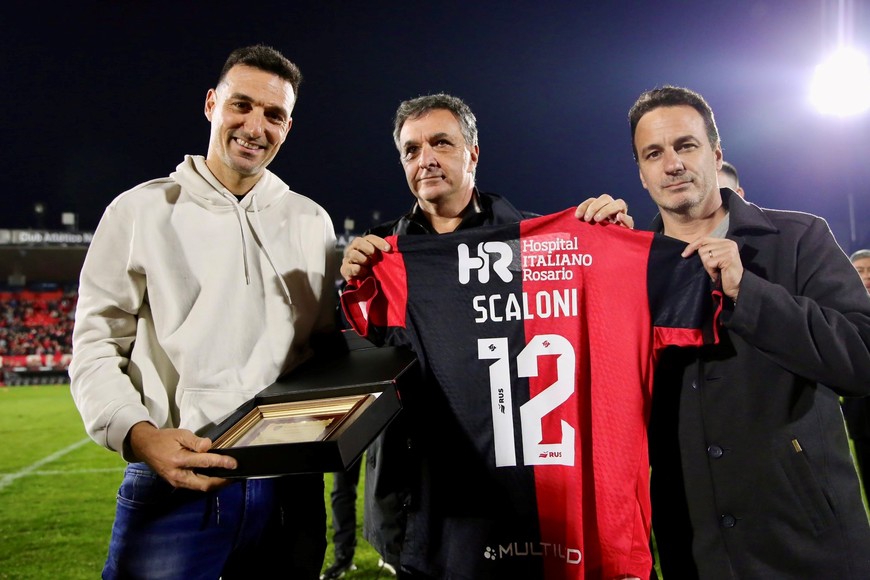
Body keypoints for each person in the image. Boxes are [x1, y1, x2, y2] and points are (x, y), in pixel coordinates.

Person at [341, 93, 681, 580]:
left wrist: (609, 246)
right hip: (426, 507)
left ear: (473, 153)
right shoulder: (383, 258)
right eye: (411, 149)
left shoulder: (541, 245)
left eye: (441, 143)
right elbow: (357, 368)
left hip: (527, 501)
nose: (426, 158)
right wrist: (356, 287)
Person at [69, 45, 339, 579]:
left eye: (274, 114)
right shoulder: (139, 211)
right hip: (177, 479)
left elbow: (324, 354)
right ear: (212, 104)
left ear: (288, 127)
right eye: (242, 105)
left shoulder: (313, 222)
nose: (255, 127)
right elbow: (95, 343)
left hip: (289, 489)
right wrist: (138, 434)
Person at [628, 85, 870, 578]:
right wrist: (593, 247)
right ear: (641, 173)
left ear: (716, 155)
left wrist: (749, 293)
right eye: (654, 153)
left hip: (807, 545)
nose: (672, 164)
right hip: (694, 549)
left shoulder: (800, 237)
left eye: (686, 145)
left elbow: (861, 359)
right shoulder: (631, 268)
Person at [842, 248, 870, 501]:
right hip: (862, 416)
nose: (866, 275)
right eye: (860, 270)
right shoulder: (840, 310)